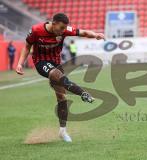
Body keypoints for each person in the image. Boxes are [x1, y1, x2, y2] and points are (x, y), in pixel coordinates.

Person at [15, 13, 105, 142]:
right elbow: (27, 47)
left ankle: (62, 132)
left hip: (57, 63)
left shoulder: (64, 30)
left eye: (64, 28)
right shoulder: (36, 30)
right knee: (54, 74)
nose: (63, 31)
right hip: (41, 62)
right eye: (61, 28)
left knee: (62, 97)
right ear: (54, 23)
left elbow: (83, 32)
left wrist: (95, 34)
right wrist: (20, 63)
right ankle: (83, 93)